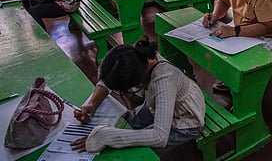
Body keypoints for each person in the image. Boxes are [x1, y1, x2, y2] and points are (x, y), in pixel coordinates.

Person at [71, 37, 205, 154]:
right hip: (155, 105)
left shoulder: (164, 80)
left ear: (138, 81)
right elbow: (107, 81)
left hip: (185, 119)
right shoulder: (134, 57)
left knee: (136, 149)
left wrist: (107, 137)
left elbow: (159, 137)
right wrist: (92, 104)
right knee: (123, 123)